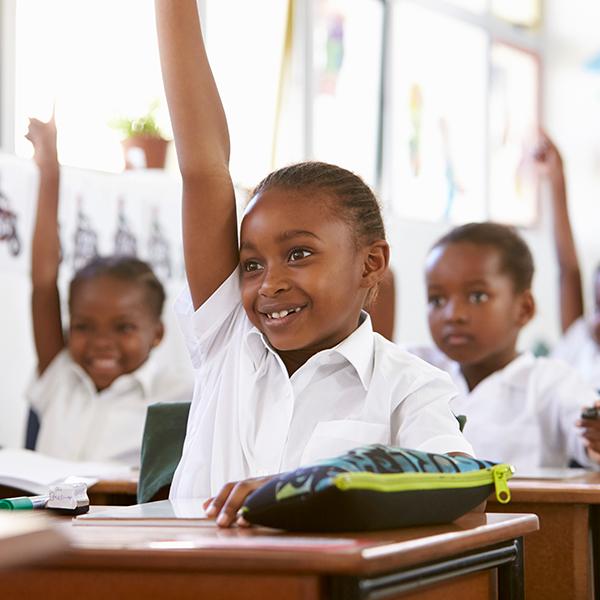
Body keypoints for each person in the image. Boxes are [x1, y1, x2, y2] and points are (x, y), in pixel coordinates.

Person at [155, 0, 474, 528]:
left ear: (372, 263)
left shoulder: (408, 386)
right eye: (251, 264)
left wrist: (314, 488)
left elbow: (464, 489)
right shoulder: (227, 338)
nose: (269, 284)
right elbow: (204, 168)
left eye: (298, 254)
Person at [25, 112, 192, 466]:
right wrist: (48, 171)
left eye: (124, 327)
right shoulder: (60, 374)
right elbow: (43, 283)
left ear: (157, 333)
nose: (102, 342)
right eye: (84, 326)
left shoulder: (176, 399)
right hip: (44, 519)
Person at [412, 221, 600, 471]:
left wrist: (594, 436)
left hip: (524, 509)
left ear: (524, 308)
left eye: (477, 296)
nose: (452, 314)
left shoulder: (550, 381)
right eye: (437, 299)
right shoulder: (414, 367)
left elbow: (586, 432)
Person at [530, 131, 600, 391]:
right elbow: (568, 269)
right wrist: (556, 181)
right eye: (597, 307)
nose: (597, 321)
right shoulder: (582, 342)